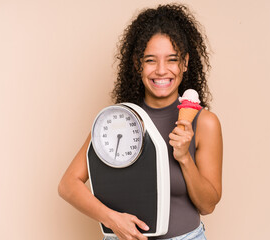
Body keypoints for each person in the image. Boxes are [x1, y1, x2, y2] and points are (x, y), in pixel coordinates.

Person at [58, 4, 223, 240]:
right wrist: (112, 220)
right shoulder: (118, 120)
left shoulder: (204, 123)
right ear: (137, 64)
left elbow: (207, 206)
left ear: (185, 63)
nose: (161, 70)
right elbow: (67, 185)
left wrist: (185, 157)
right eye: (150, 60)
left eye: (172, 60)